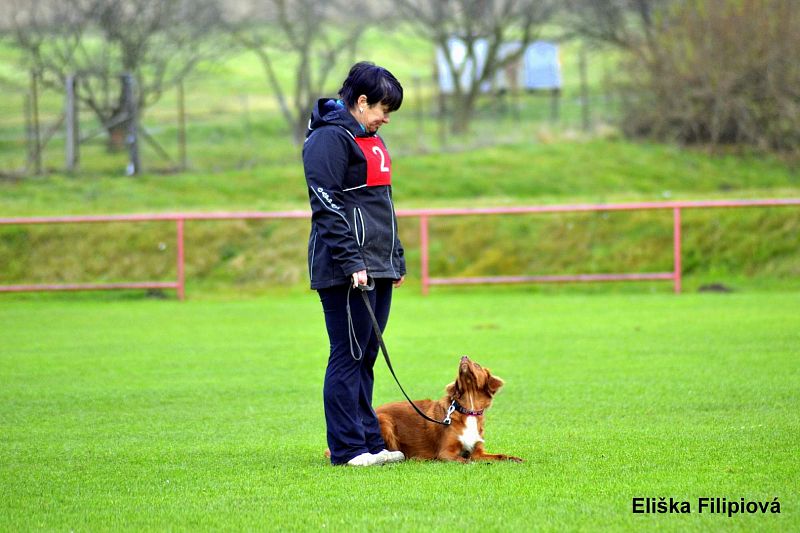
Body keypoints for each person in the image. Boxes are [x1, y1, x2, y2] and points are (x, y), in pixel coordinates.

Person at [303, 62, 407, 466]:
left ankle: (371, 443)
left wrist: (392, 259)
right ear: (361, 101)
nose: (385, 118)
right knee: (347, 353)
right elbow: (325, 205)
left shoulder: (371, 138)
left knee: (366, 355)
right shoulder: (328, 139)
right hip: (345, 267)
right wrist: (353, 261)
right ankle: (347, 450)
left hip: (377, 264)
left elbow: (383, 205)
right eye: (382, 108)